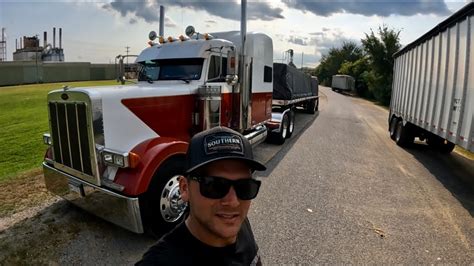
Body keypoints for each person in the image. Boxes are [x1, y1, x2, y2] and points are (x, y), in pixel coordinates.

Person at [137, 126, 266, 265]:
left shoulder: (240, 222)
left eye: (244, 187)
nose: (233, 202)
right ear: (185, 188)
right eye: (215, 186)